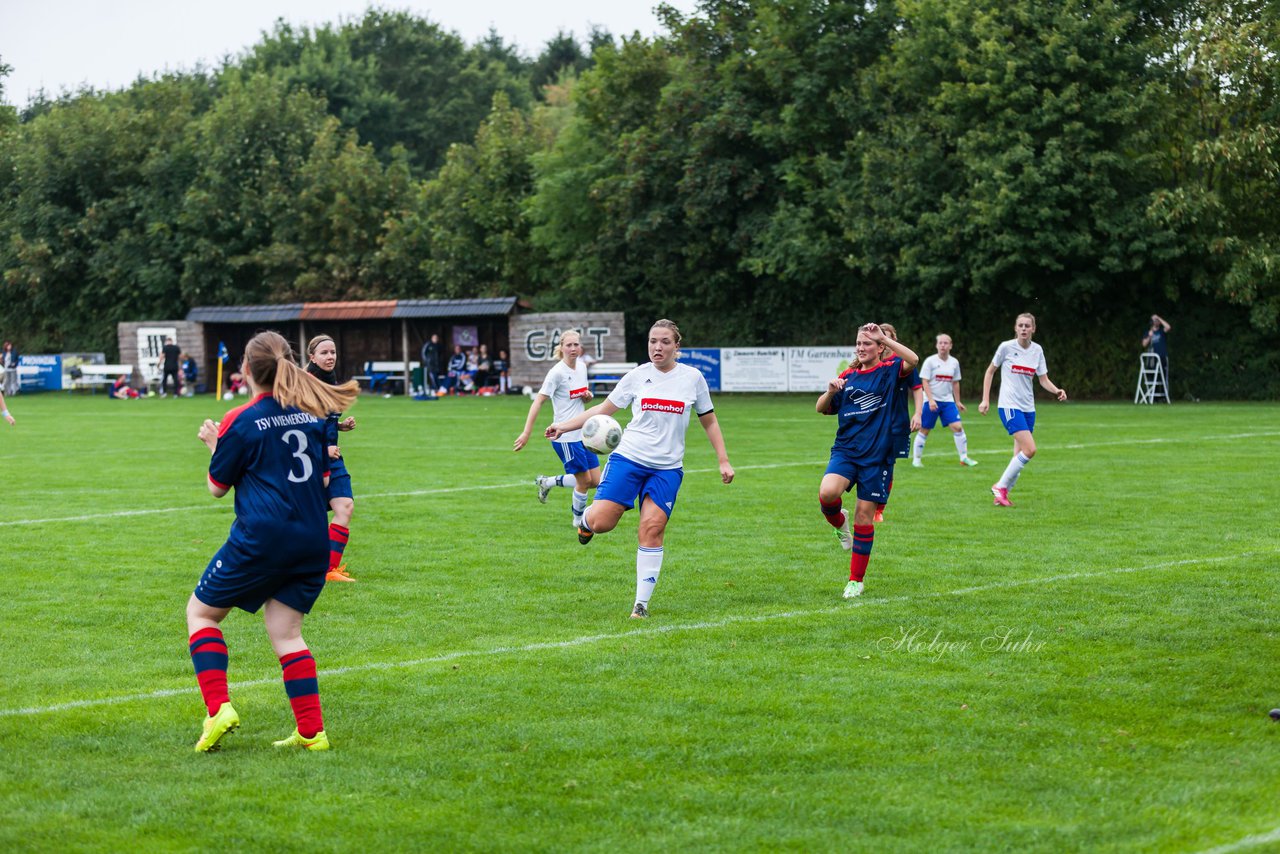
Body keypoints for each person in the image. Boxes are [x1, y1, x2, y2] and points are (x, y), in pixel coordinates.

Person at [186, 330, 359, 753]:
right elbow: (316, 471)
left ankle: (218, 709)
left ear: (245, 369)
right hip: (312, 538)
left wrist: (214, 443)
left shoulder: (241, 420)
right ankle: (312, 732)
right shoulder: (309, 413)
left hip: (262, 538)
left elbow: (217, 487)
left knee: (201, 615)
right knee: (287, 633)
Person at [545, 320, 734, 619]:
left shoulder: (693, 378)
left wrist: (723, 459)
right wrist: (563, 426)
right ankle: (586, 522)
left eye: (664, 342)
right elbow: (602, 410)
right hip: (628, 459)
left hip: (667, 469)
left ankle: (640, 605)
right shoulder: (637, 376)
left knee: (652, 528)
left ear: (676, 347)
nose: (657, 347)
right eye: (652, 341)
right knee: (603, 522)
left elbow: (708, 419)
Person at [817, 323, 919, 599]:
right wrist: (830, 391)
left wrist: (883, 336)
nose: (862, 348)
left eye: (868, 344)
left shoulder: (890, 370)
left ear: (879, 348)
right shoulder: (848, 375)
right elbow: (821, 408)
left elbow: (913, 360)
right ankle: (840, 523)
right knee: (827, 494)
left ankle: (855, 580)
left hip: (877, 457)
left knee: (865, 516)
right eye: (859, 343)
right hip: (846, 451)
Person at [979, 313, 1068, 507]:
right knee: (1030, 450)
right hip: (1010, 406)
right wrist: (985, 399)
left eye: (1028, 325)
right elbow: (990, 371)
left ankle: (1001, 496)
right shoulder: (1006, 347)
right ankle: (1000, 486)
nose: (1024, 329)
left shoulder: (1037, 350)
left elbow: (1043, 379)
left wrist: (1057, 390)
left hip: (1029, 408)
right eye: (1021, 325)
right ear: (1015, 328)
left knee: (1019, 456)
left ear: (1033, 329)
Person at [515, 330, 601, 529]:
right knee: (584, 481)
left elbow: (581, 396)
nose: (573, 348)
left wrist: (587, 396)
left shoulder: (581, 367)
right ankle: (578, 522)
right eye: (569, 345)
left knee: (595, 480)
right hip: (564, 437)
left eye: (576, 345)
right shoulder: (556, 373)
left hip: (583, 433)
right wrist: (526, 433)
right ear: (561, 348)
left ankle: (548, 482)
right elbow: (538, 402)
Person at [306, 334, 359, 583]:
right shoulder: (306, 385)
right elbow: (297, 426)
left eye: (333, 352)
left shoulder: (330, 381)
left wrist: (338, 426)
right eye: (324, 353)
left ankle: (329, 570)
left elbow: (322, 420)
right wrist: (322, 449)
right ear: (312, 357)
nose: (330, 357)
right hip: (309, 458)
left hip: (332, 456)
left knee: (345, 506)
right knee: (307, 515)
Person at [872, 323, 923, 523]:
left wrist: (918, 413)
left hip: (895, 423)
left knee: (887, 464)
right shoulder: (870, 362)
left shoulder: (902, 364)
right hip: (872, 423)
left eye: (887, 337)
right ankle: (869, 500)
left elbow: (917, 388)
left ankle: (879, 509)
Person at [912, 333, 980, 468]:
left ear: (950, 346)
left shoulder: (954, 362)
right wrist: (931, 400)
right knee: (924, 429)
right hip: (931, 401)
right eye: (940, 343)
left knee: (958, 427)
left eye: (946, 343)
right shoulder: (930, 361)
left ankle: (964, 458)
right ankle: (917, 459)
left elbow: (955, 383)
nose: (943, 345)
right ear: (937, 345)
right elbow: (924, 381)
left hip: (947, 401)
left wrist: (958, 401)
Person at [1143, 314, 1171, 397]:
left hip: (1162, 357)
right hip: (1152, 359)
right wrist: (1149, 336)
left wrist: (1158, 317)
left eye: (1156, 320)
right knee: (1152, 377)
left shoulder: (1161, 331)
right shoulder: (1148, 332)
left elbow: (1168, 327)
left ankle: (1163, 396)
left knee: (1162, 377)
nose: (1155, 322)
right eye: (1154, 320)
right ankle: (1153, 396)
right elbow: (1144, 344)